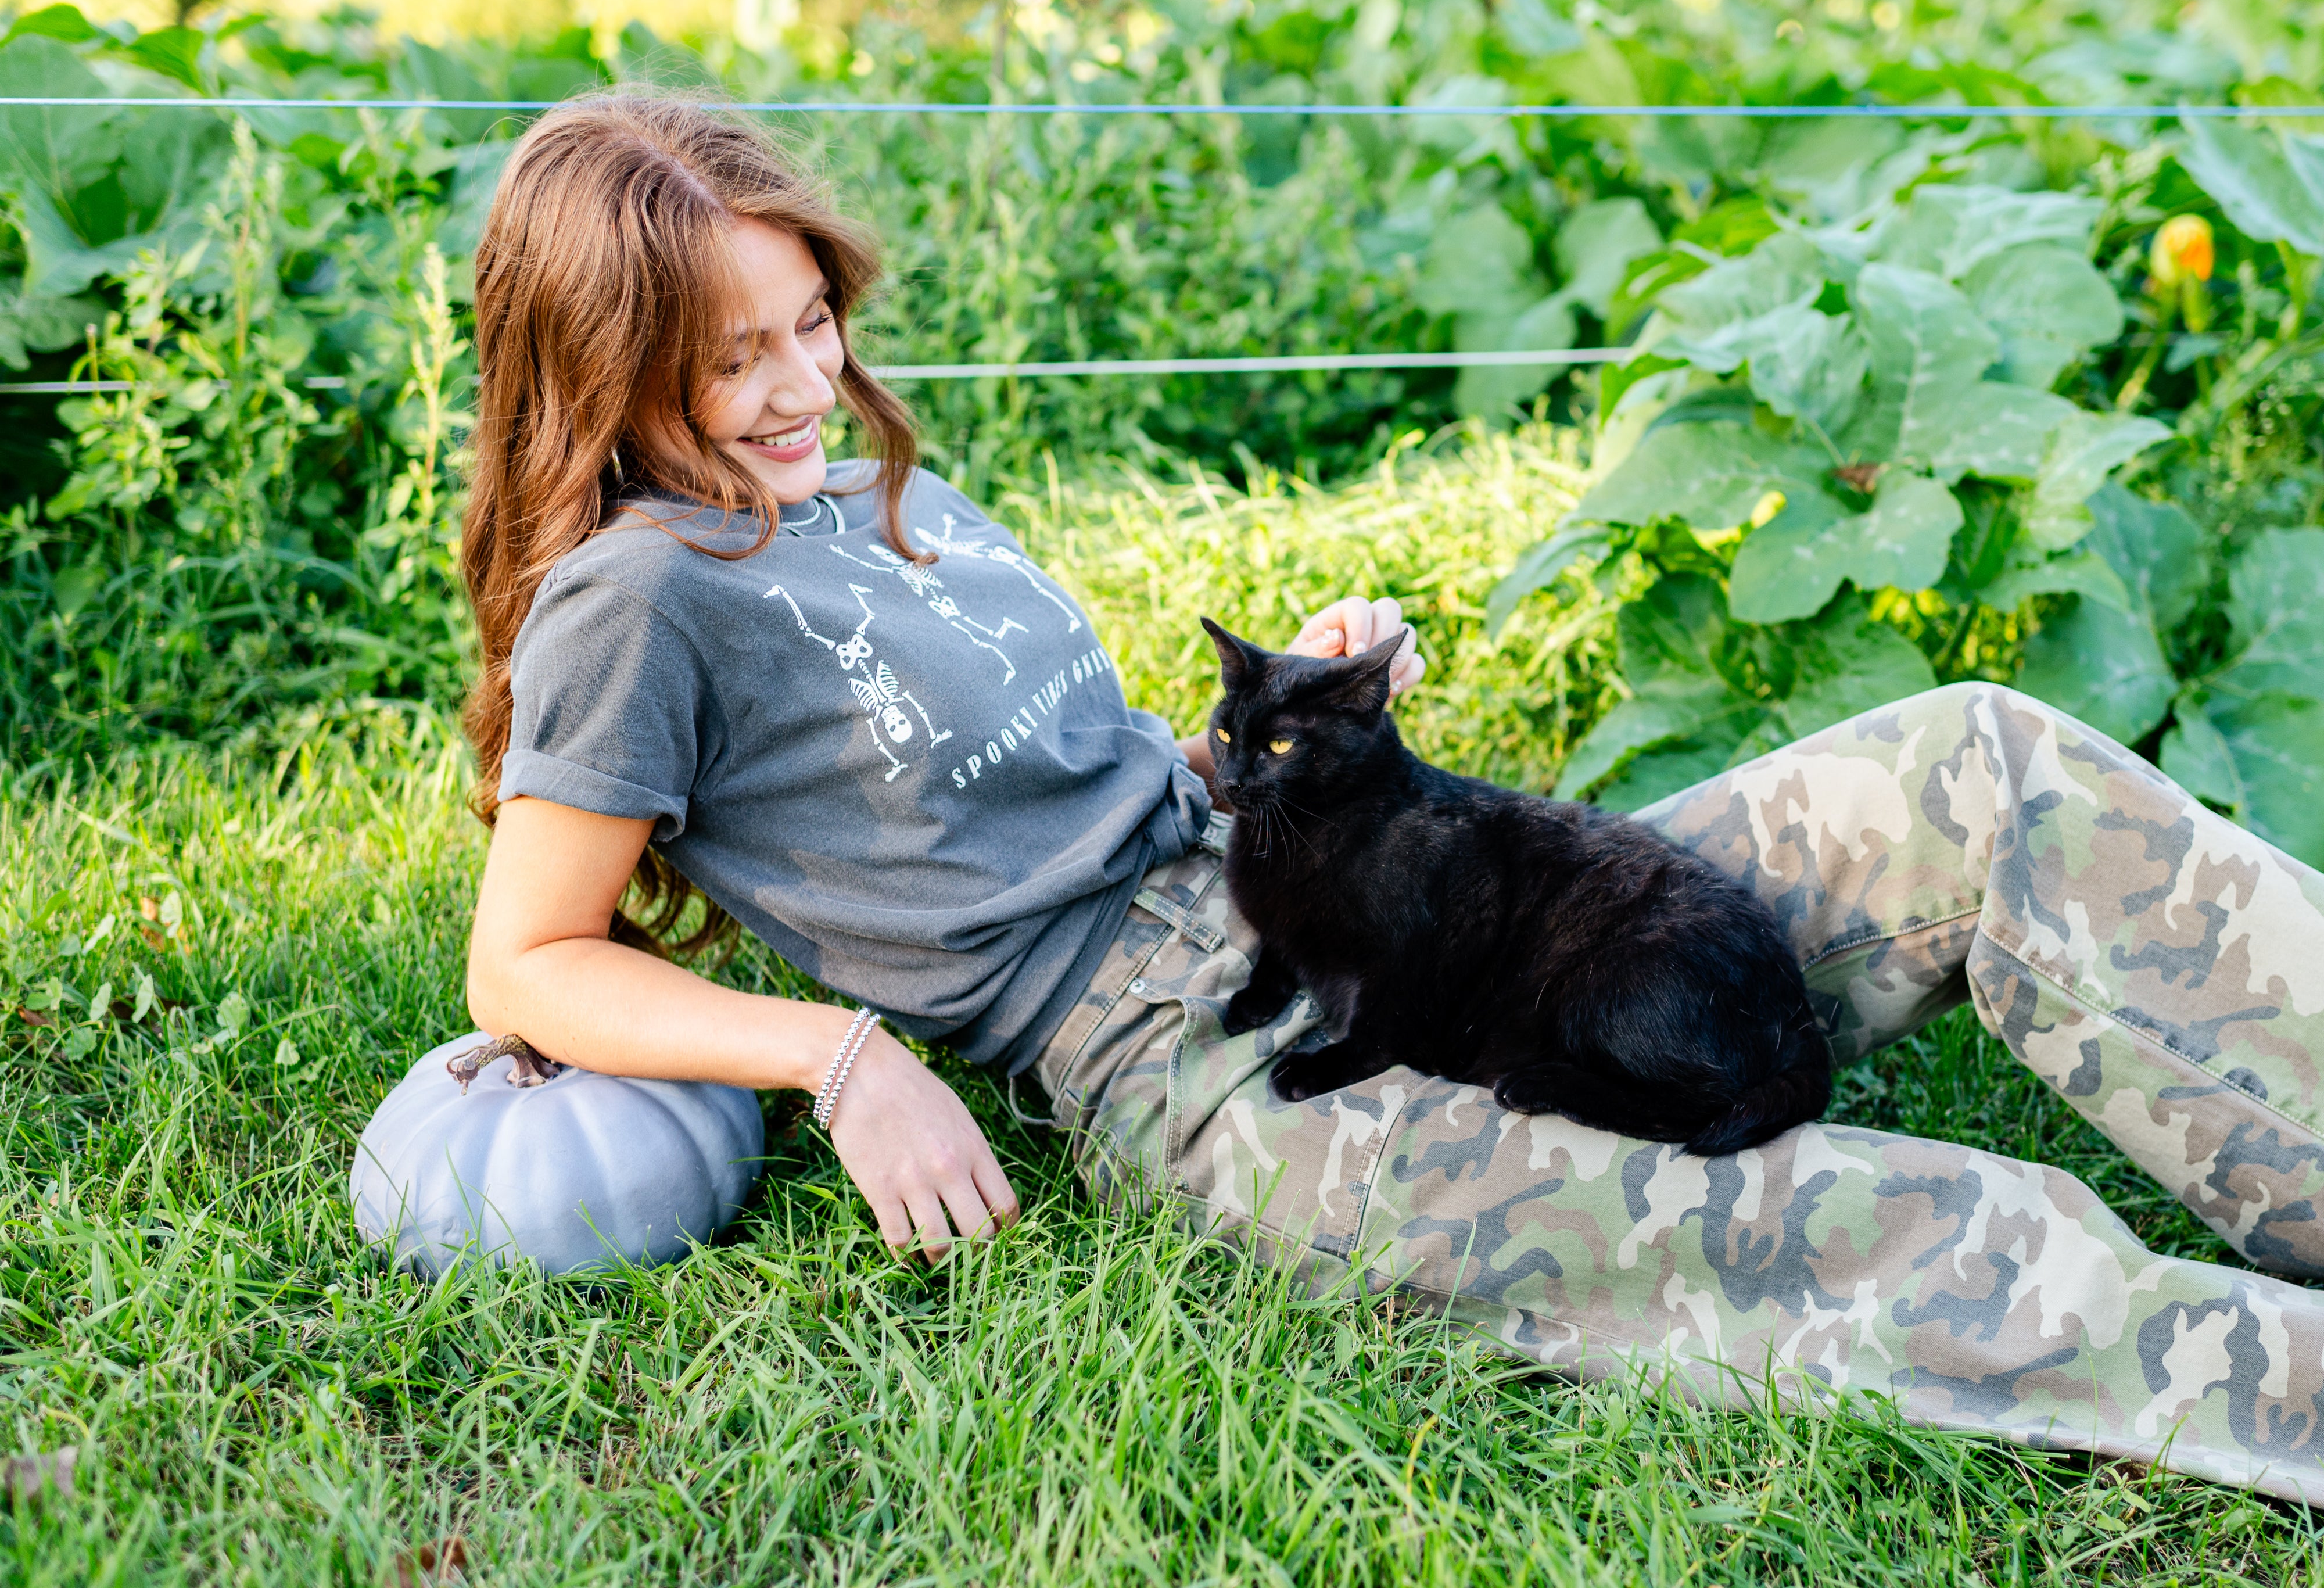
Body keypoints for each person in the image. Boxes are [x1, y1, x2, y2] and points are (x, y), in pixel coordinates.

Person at [420, 92, 2324, 1505]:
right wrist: (840, 1057)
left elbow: (1031, 791)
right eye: (729, 359)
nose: (800, 385)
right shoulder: (639, 593)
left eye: (807, 322)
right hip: (1196, 1055)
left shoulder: (858, 494)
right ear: (604, 370)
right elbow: (532, 956)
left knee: (1975, 763)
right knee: (1818, 1223)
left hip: (1352, 894)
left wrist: (1297, 736)